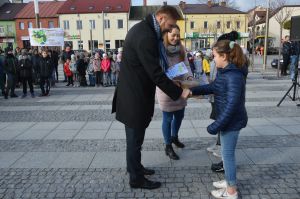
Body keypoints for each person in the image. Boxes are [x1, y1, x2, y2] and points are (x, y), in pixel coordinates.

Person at [112, 5, 191, 190]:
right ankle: (136, 179)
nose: (170, 28)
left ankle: (136, 168)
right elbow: (155, 73)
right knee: (134, 141)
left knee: (136, 140)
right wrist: (179, 92)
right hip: (133, 98)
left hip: (135, 95)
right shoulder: (145, 36)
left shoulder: (145, 30)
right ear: (161, 17)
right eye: (170, 24)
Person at [190, 40, 248, 199]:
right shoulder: (226, 73)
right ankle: (230, 181)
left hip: (231, 122)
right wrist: (191, 91)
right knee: (226, 154)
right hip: (228, 122)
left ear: (224, 56)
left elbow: (232, 106)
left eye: (214, 56)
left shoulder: (233, 76)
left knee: (227, 155)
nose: (212, 59)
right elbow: (212, 87)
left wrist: (215, 125)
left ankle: (231, 191)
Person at [156, 24, 193, 160]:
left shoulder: (181, 48)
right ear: (167, 35)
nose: (176, 38)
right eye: (173, 35)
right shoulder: (160, 49)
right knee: (168, 118)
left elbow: (186, 65)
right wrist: (171, 81)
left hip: (181, 86)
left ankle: (174, 137)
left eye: (178, 35)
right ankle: (168, 145)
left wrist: (189, 77)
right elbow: (158, 71)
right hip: (166, 88)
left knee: (180, 115)